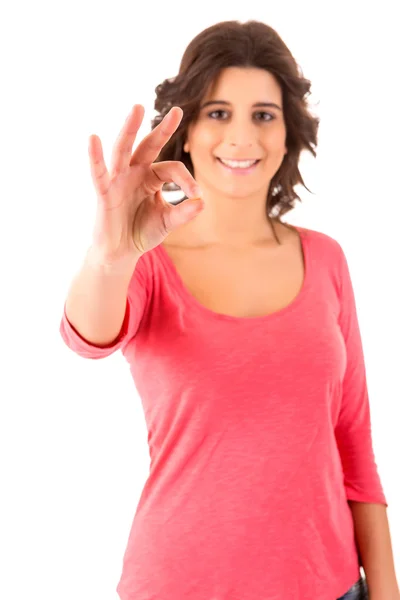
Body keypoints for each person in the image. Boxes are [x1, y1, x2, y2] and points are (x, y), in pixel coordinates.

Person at [60, 20, 390, 600]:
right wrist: (109, 255)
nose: (242, 136)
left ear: (288, 133)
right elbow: (87, 336)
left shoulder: (327, 259)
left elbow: (353, 442)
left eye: (263, 114)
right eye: (217, 113)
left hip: (332, 588)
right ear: (185, 132)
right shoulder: (146, 262)